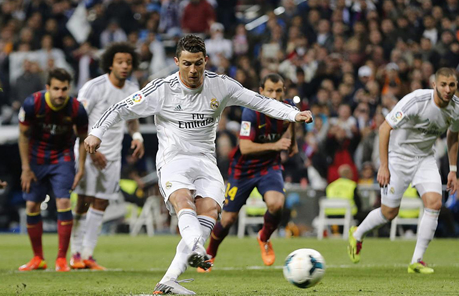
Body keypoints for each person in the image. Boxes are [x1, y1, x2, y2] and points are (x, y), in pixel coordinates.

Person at [83, 35, 313, 294]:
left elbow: (260, 101)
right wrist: (97, 132)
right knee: (184, 201)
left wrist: (294, 114)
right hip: (173, 159)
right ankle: (195, 248)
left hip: (205, 160)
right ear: (176, 61)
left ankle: (168, 281)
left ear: (206, 61)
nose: (192, 70)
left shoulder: (221, 85)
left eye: (198, 64)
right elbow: (120, 108)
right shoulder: (161, 89)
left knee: (210, 211)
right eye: (186, 64)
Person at [347, 67, 459, 274]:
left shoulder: (458, 108)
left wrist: (452, 169)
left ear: (456, 86)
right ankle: (357, 233)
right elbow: (385, 128)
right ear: (434, 84)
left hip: (425, 159)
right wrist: (384, 166)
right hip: (398, 158)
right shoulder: (416, 101)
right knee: (389, 213)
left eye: (452, 85)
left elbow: (453, 136)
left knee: (435, 203)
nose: (448, 89)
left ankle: (416, 261)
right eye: (443, 85)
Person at [201, 73, 298, 271]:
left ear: (283, 92)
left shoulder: (288, 108)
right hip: (243, 170)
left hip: (269, 167)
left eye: (278, 91)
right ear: (261, 92)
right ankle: (210, 253)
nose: (274, 95)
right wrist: (277, 144)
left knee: (276, 204)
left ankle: (264, 237)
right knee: (227, 219)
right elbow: (245, 148)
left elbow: (291, 120)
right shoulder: (251, 113)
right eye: (269, 90)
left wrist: (293, 142)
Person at [70, 42, 144, 270]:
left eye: (128, 62)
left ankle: (88, 255)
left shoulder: (133, 89)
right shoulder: (94, 87)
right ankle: (75, 253)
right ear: (110, 64)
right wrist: (93, 153)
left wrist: (137, 136)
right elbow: (78, 122)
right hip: (88, 150)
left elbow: (132, 119)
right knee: (83, 201)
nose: (124, 66)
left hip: (112, 154)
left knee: (101, 202)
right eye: (120, 62)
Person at [18, 68, 89, 272]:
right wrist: (25, 168)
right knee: (32, 205)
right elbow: (23, 136)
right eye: (56, 88)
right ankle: (38, 258)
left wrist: (81, 167)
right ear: (47, 87)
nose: (60, 94)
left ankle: (61, 260)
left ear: (69, 89)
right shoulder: (33, 104)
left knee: (64, 201)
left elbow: (84, 138)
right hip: (36, 159)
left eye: (64, 89)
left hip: (62, 158)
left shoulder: (76, 109)